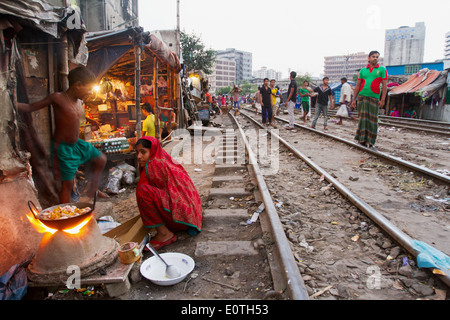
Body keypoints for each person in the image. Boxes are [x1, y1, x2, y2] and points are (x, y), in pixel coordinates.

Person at [18, 66, 107, 204]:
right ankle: (64, 213)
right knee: (67, 185)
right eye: (89, 89)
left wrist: (91, 120)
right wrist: (12, 103)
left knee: (101, 159)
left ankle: (92, 190)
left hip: (76, 144)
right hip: (63, 148)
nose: (90, 92)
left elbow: (75, 116)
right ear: (77, 85)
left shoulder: (79, 101)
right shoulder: (58, 98)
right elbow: (30, 108)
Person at [135, 136, 202, 249]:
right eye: (137, 152)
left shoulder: (154, 166)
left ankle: (165, 234)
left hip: (181, 219)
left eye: (143, 152)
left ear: (152, 151)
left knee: (143, 192)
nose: (139, 156)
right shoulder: (165, 160)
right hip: (190, 215)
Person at [351, 51, 388, 149]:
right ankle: (362, 140)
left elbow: (384, 86)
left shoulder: (382, 70)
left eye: (377, 57)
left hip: (374, 98)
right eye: (373, 56)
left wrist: (383, 100)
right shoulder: (363, 70)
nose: (375, 58)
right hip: (362, 97)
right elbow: (358, 85)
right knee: (362, 119)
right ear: (369, 58)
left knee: (373, 120)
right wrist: (354, 99)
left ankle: (371, 141)